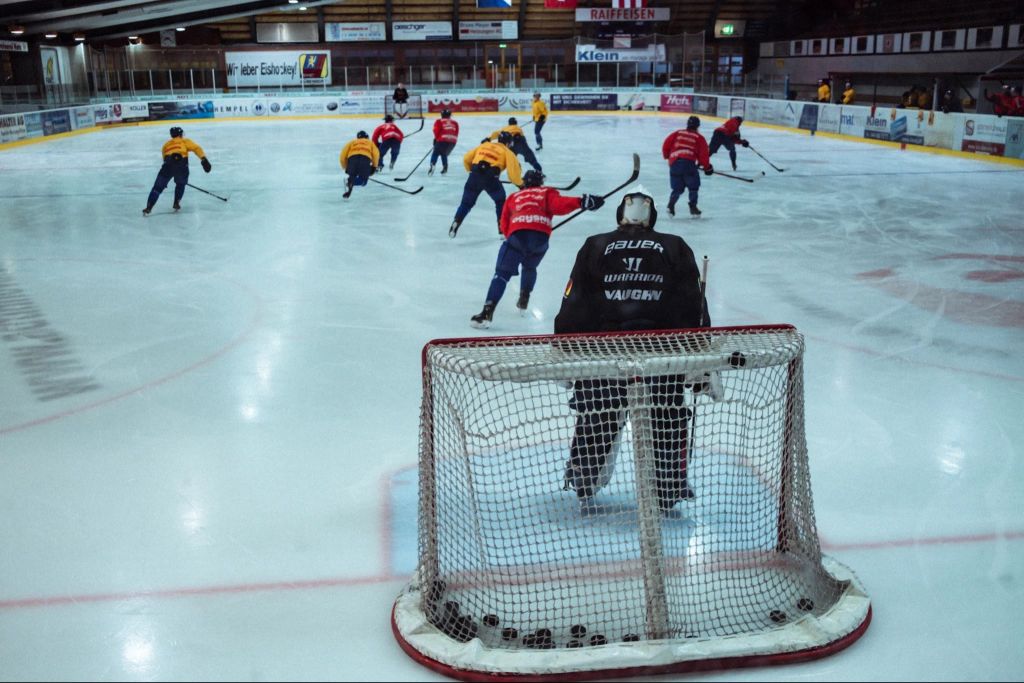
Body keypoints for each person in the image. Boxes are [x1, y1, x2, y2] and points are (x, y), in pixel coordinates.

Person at [553, 187, 710, 512]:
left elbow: (575, 301)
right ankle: (669, 486)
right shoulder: (675, 246)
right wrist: (700, 353)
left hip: (602, 353)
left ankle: (584, 475)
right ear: (652, 215)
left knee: (596, 415)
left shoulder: (595, 244)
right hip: (661, 356)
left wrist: (564, 348)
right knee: (667, 416)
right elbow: (691, 304)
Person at [470, 170, 604, 328]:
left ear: (524, 183)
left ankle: (487, 312)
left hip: (518, 237)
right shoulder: (547, 193)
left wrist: (514, 235)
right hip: (540, 240)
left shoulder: (513, 197)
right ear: (540, 183)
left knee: (502, 274)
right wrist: (582, 202)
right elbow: (560, 205)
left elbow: (504, 223)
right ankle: (524, 297)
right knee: (530, 267)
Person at [449, 132, 523, 239]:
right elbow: (513, 174)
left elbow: (466, 158)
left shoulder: (484, 145)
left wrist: (472, 172)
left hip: (474, 177)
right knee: (500, 200)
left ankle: (457, 221)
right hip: (491, 180)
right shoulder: (507, 152)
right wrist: (520, 184)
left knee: (466, 203)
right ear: (508, 143)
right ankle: (501, 229)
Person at [142, 126, 212, 216]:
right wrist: (203, 158)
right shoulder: (184, 141)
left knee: (157, 188)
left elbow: (164, 159)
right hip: (182, 164)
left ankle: (148, 207)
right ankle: (176, 203)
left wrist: (171, 171)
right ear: (180, 134)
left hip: (168, 165)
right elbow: (196, 148)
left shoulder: (166, 145)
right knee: (180, 184)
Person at [661, 115, 712, 218]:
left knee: (677, 189)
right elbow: (703, 155)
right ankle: (693, 207)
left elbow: (666, 145)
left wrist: (668, 156)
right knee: (693, 187)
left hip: (674, 163)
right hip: (688, 163)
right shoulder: (699, 138)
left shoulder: (677, 133)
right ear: (698, 126)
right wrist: (707, 167)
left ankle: (670, 205)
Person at [339, 130, 379, 199]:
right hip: (365, 159)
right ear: (367, 137)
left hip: (352, 159)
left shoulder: (352, 142)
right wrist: (374, 167)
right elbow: (376, 154)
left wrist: (346, 167)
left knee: (352, 176)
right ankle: (351, 181)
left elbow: (342, 156)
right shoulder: (370, 142)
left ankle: (349, 187)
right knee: (363, 181)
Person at [430, 109, 459, 175]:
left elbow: (436, 130)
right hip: (453, 141)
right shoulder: (455, 122)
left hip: (442, 140)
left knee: (435, 153)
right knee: (444, 153)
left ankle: (433, 164)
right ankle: (445, 167)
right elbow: (456, 132)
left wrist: (436, 139)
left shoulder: (439, 121)